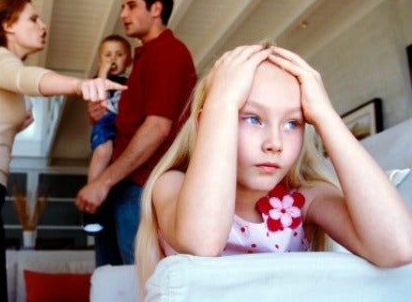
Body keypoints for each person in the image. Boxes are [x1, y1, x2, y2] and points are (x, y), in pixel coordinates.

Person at [135, 44, 412, 293]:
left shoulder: (305, 199)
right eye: (253, 118)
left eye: (293, 123)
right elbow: (201, 245)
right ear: (208, 123)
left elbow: (399, 247)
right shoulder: (172, 184)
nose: (275, 143)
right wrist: (223, 102)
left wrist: (325, 116)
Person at [0, 0, 126, 302]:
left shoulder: (3, 73)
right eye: (33, 19)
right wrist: (79, 85)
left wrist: (14, 124)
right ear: (7, 25)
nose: (43, 25)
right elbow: (28, 77)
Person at [76, 0, 198, 266]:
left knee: (139, 280)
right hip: (126, 184)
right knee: (113, 279)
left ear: (156, 9)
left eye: (131, 6)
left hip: (142, 185)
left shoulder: (168, 52)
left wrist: (103, 181)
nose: (123, 14)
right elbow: (131, 124)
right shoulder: (145, 58)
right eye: (123, 7)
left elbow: (157, 126)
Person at [87, 34, 132, 182]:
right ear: (100, 61)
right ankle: (92, 185)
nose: (112, 59)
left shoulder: (129, 82)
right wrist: (103, 73)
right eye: (107, 55)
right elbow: (99, 103)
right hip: (105, 121)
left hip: (122, 126)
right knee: (103, 151)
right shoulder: (97, 80)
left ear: (128, 62)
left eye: (119, 55)